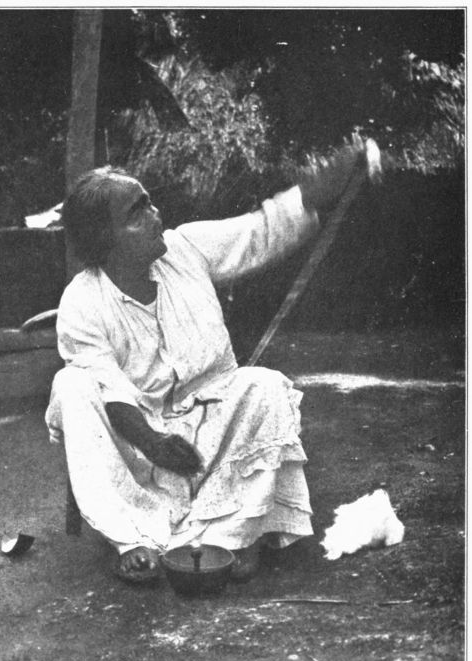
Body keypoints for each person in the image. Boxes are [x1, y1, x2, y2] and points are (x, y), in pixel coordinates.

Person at [45, 138, 378, 584]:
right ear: (105, 241)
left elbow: (260, 230)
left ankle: (233, 534)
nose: (155, 215)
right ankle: (133, 538)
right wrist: (153, 442)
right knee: (72, 386)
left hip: (209, 423)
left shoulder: (185, 248)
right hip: (133, 441)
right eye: (137, 213)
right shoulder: (82, 304)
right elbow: (108, 390)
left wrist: (334, 176)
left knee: (265, 385)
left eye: (149, 203)